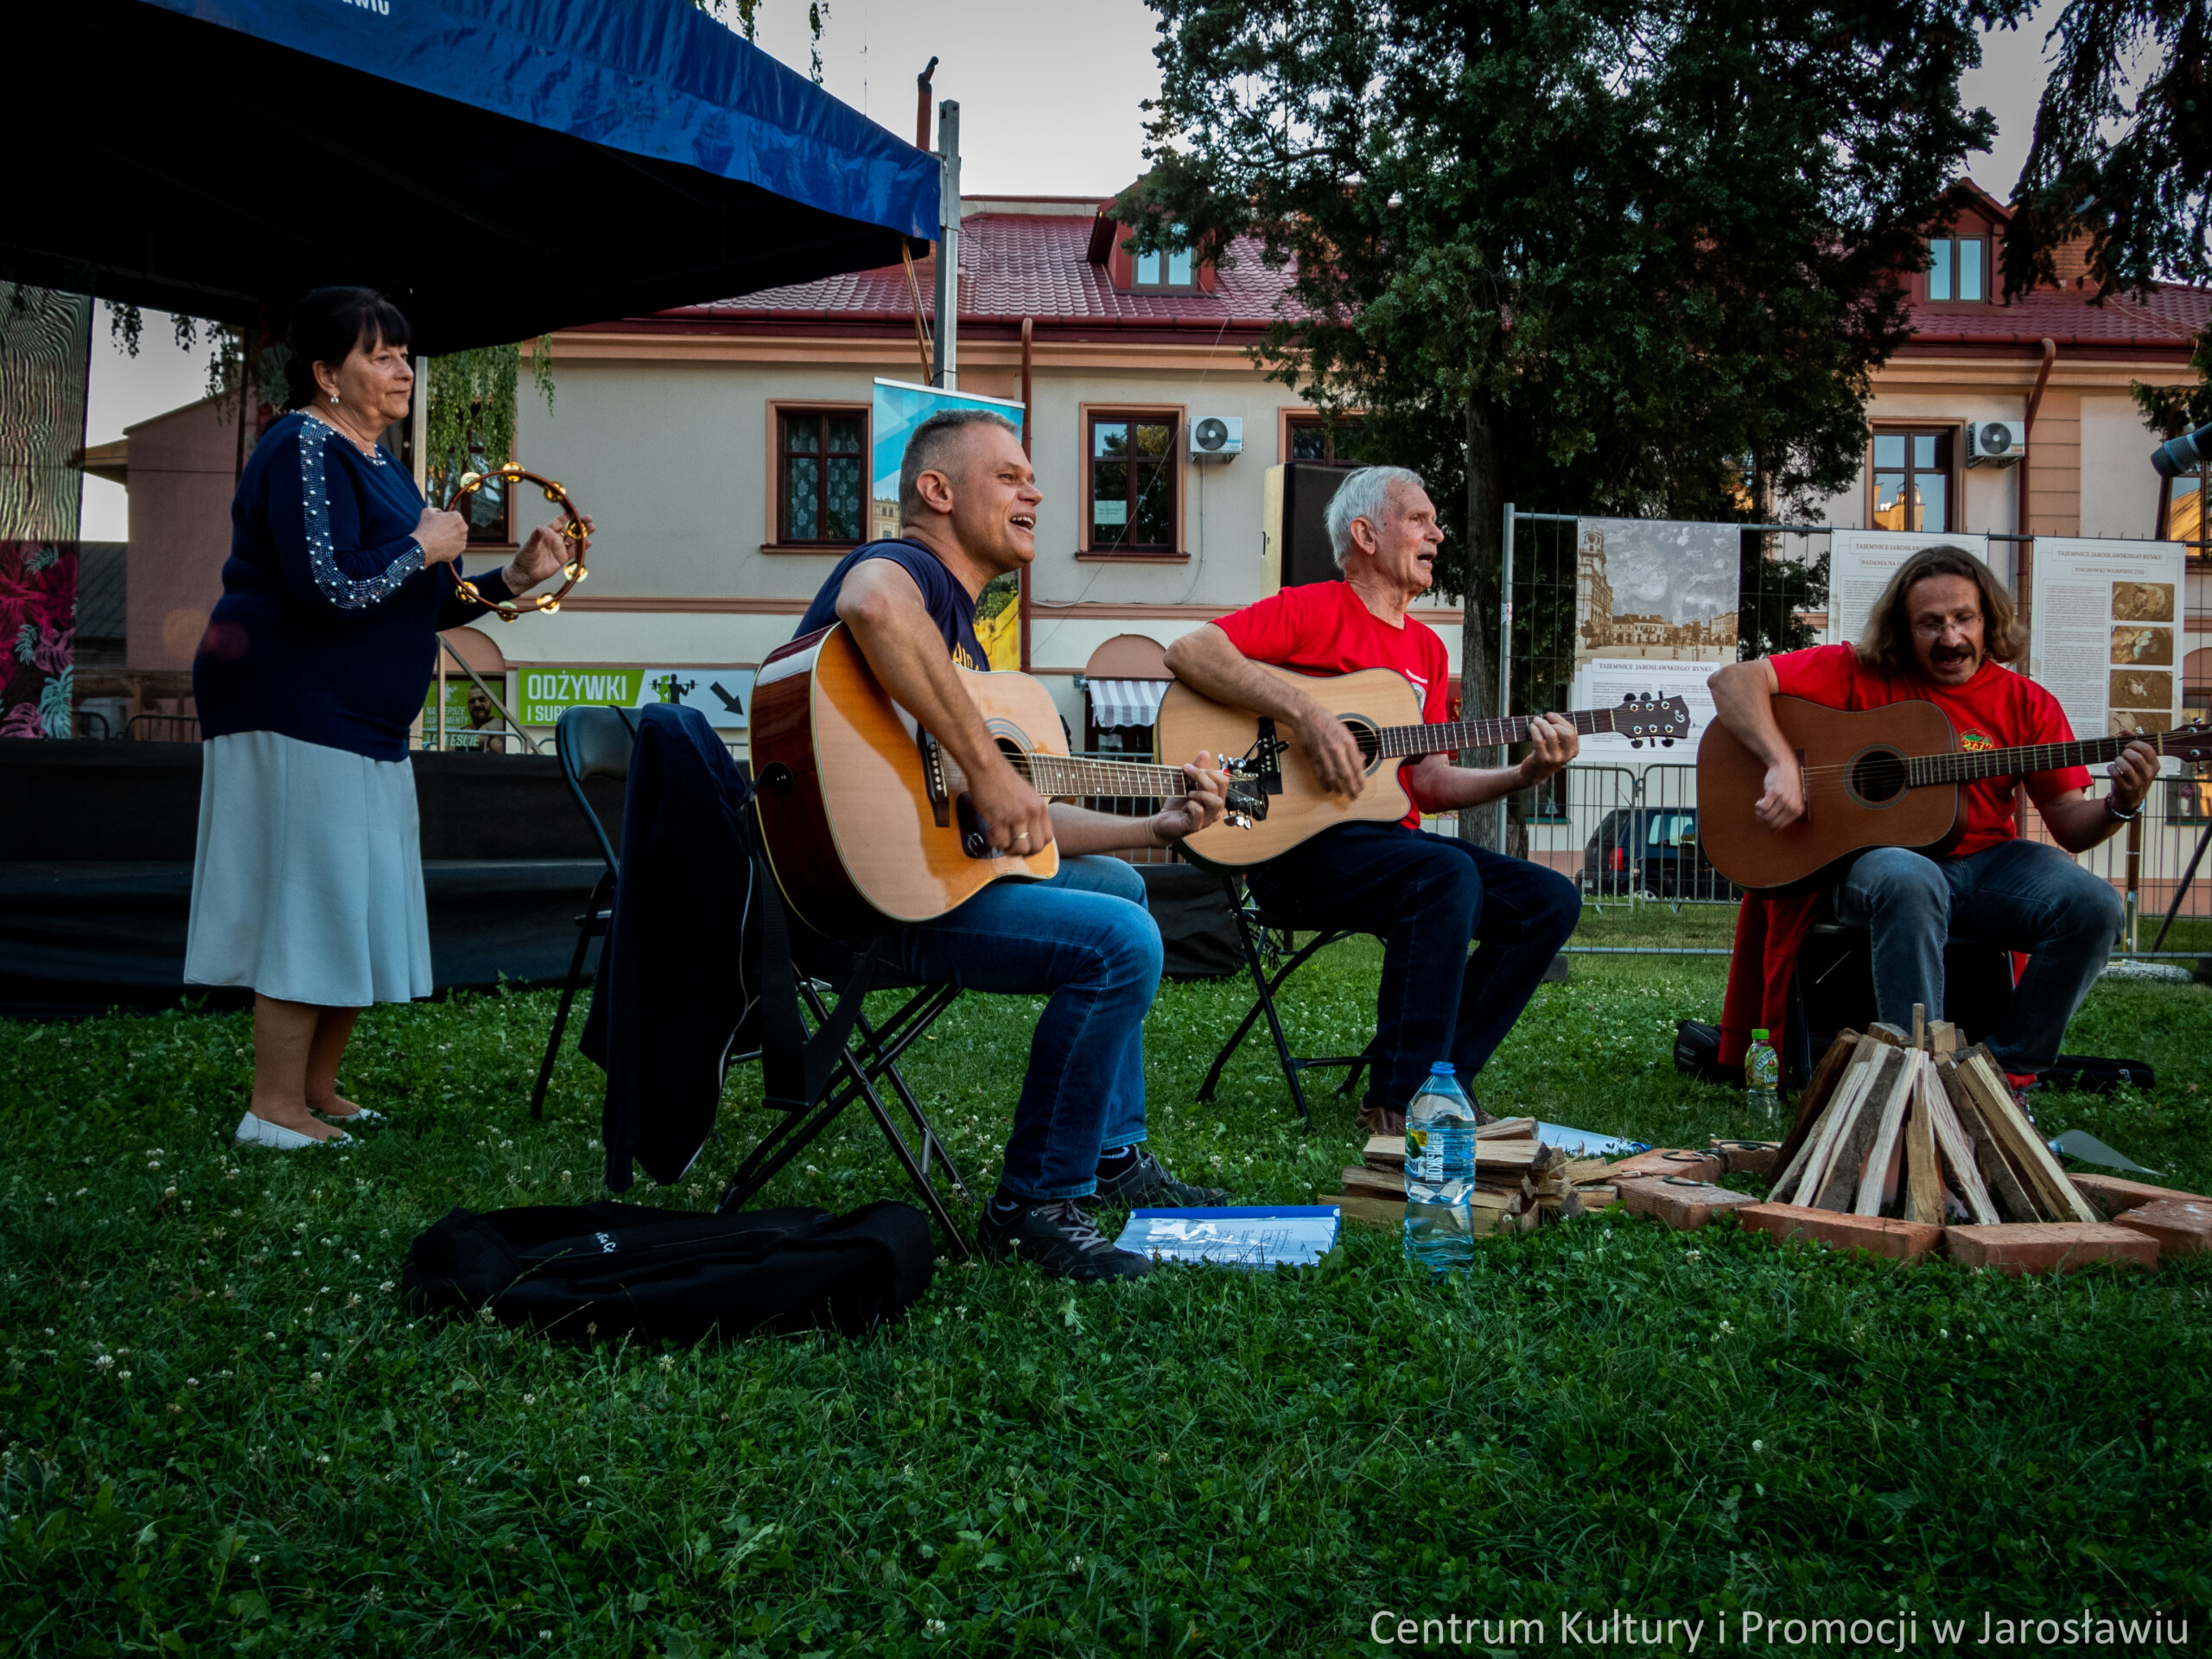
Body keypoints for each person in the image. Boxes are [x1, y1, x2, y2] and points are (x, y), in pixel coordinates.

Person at [791, 409, 1231, 1281]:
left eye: (1032, 477)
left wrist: (1157, 826)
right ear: (936, 492)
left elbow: (1022, 825)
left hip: (904, 888)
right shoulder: (907, 570)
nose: (1034, 490)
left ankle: (1108, 1156)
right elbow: (869, 602)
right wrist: (981, 767)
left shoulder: (953, 635)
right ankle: (1033, 1204)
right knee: (1121, 943)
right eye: (1008, 475)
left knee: (1122, 890)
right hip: (855, 902)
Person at [188, 287, 588, 1149]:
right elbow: (328, 589)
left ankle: (319, 1091)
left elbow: (410, 604)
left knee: (351, 897)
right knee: (312, 899)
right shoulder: (302, 446)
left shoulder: (376, 461)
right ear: (328, 374)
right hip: (294, 705)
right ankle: (271, 1109)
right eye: (380, 354)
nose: (403, 368)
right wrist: (424, 546)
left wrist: (508, 581)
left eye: (405, 352)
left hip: (360, 722)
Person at [1163, 465, 1582, 1134]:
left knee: (1548, 900)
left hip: (1389, 847)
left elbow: (1429, 783)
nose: (1437, 535)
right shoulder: (1312, 608)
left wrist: (1523, 776)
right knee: (1444, 872)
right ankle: (1396, 1101)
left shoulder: (1426, 649)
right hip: (1290, 848)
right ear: (1365, 534)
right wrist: (1305, 715)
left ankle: (1446, 1080)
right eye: (1418, 519)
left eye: (1435, 522)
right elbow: (1190, 651)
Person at [1707, 543, 2155, 1090]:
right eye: (1930, 624)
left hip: (1989, 868)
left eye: (1964, 619)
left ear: (1989, 620)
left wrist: (2119, 804)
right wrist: (1780, 763)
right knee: (1910, 876)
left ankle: (2004, 1072)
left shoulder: (2027, 703)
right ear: (1903, 627)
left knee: (2094, 904)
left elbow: (2068, 822)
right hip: (1871, 868)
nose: (1950, 638)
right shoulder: (1858, 669)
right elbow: (1733, 681)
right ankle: (1913, 1074)